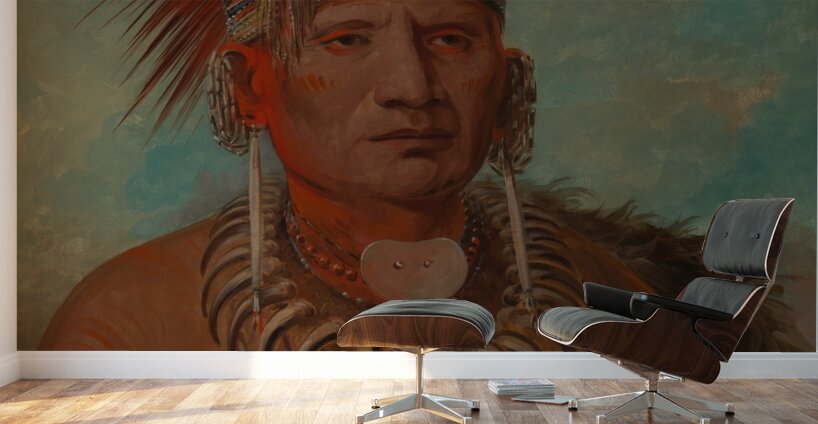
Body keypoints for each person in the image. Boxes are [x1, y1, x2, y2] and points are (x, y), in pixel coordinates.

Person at [39, 0, 807, 352]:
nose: (411, 86)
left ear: (507, 87)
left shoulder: (604, 295)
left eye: (448, 39)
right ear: (250, 87)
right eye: (347, 39)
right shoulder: (122, 325)